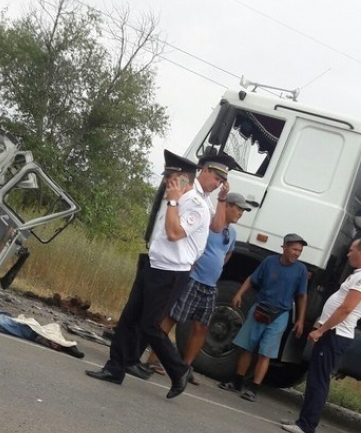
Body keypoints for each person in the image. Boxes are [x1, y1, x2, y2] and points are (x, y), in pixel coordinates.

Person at [85, 150, 211, 399]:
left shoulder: (196, 205)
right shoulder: (173, 200)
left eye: (171, 178)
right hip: (153, 265)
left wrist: (174, 202)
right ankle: (115, 368)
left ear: (183, 180)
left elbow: (175, 233)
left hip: (172, 273)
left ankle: (179, 371)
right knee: (129, 319)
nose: (166, 182)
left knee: (151, 326)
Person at [136, 154, 239, 379]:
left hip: (193, 276)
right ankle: (148, 361)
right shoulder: (190, 193)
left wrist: (221, 199)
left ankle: (180, 368)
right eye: (216, 178)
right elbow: (173, 231)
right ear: (204, 170)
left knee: (195, 325)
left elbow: (217, 227)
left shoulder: (208, 201)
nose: (217, 184)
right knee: (163, 318)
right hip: (174, 266)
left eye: (222, 182)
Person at [282, 237, 361, 433]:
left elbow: (346, 308)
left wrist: (321, 330)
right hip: (332, 332)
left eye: (351, 250)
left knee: (318, 380)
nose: (348, 253)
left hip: (335, 334)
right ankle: (303, 420)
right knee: (316, 377)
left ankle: (307, 425)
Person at [166, 192, 251, 385]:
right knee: (172, 318)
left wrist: (217, 267)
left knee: (202, 328)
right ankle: (152, 361)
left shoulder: (232, 233)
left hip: (210, 286)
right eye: (238, 208)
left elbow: (226, 255)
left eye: (243, 210)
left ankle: (185, 367)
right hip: (193, 280)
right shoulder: (210, 225)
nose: (240, 213)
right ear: (226, 206)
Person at [218, 233, 309, 402]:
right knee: (246, 348)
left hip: (280, 315)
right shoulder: (270, 262)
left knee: (265, 353)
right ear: (285, 247)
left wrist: (300, 320)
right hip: (259, 308)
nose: (297, 253)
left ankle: (253, 389)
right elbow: (251, 279)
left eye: (300, 251)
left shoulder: (301, 270)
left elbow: (302, 296)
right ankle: (236, 382)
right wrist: (239, 294)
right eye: (295, 249)